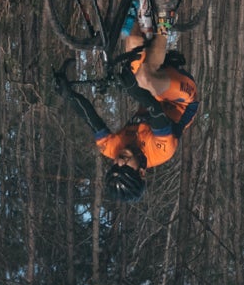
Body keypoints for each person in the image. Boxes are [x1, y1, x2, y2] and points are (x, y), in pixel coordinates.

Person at [52, 11, 199, 203]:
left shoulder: (111, 149)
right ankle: (164, 18)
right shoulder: (162, 151)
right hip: (181, 99)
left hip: (150, 91)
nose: (119, 161)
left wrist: (68, 95)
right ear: (142, 172)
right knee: (143, 79)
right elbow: (154, 109)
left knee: (132, 42)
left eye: (114, 166)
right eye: (124, 168)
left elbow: (91, 118)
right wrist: (132, 88)